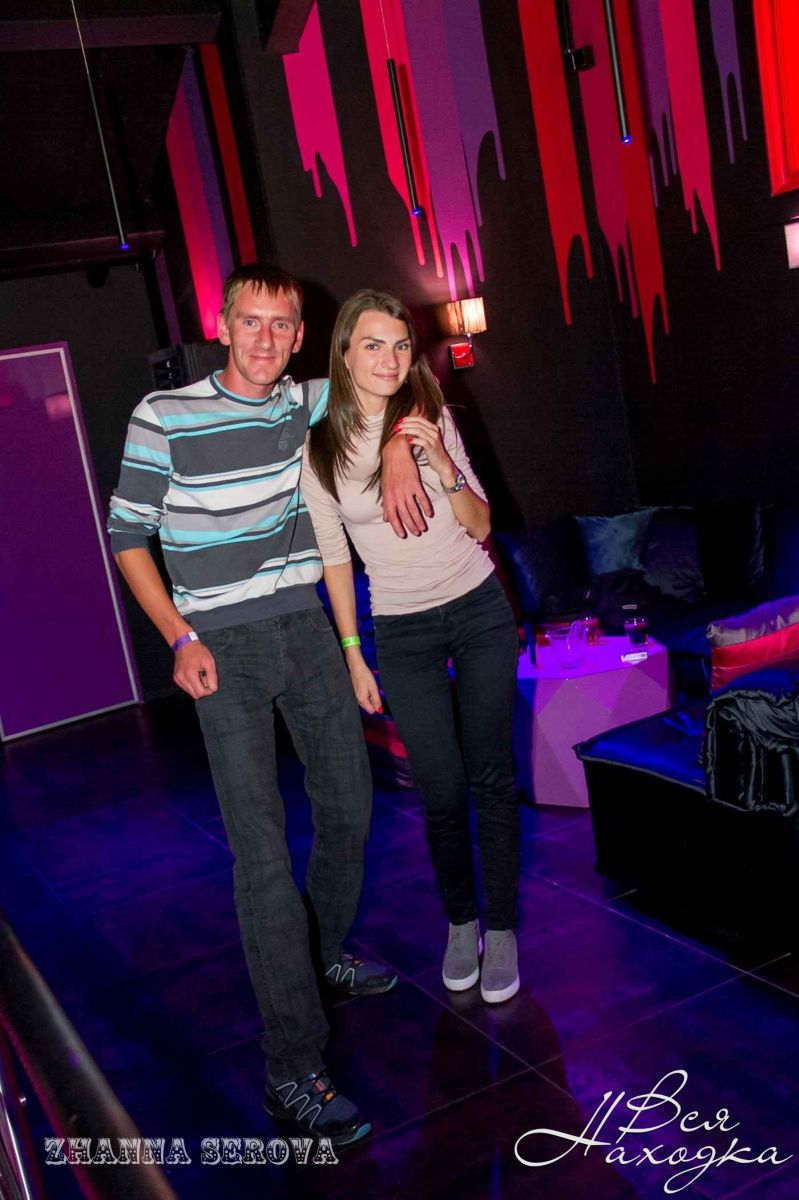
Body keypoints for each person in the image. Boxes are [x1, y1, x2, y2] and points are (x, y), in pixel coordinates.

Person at [107, 264, 427, 1147]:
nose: (265, 338)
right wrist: (180, 637)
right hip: (221, 645)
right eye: (250, 321)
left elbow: (401, 386)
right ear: (222, 325)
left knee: (350, 808)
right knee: (261, 857)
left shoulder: (304, 402)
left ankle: (319, 953)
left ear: (299, 336)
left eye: (281, 325)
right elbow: (128, 533)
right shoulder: (162, 414)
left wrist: (399, 446)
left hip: (305, 629)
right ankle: (292, 1069)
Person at [302, 289, 521, 1004]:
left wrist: (439, 462)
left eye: (400, 345)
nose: (389, 359)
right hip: (402, 628)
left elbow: (480, 525)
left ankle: (503, 929)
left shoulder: (432, 418)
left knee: (491, 777)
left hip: (477, 609)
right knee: (441, 788)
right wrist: (352, 652)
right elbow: (335, 558)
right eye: (373, 345)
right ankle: (461, 923)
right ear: (343, 353)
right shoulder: (321, 448)